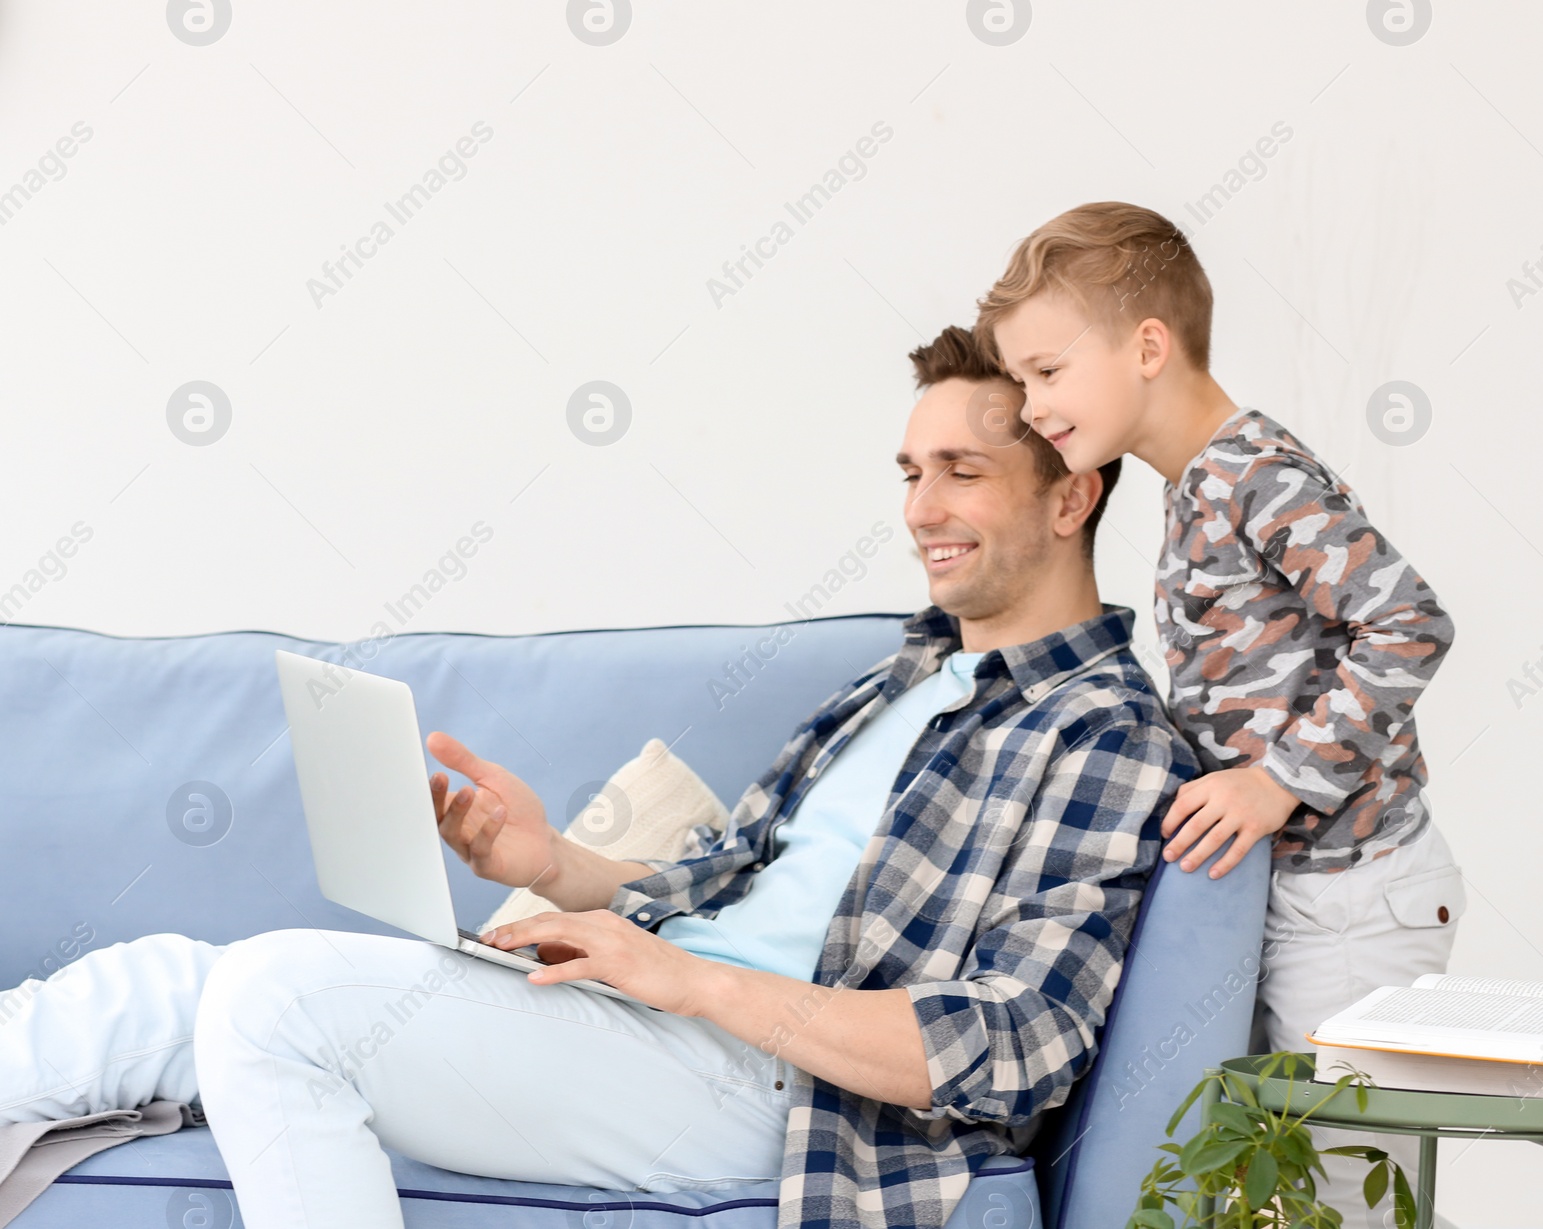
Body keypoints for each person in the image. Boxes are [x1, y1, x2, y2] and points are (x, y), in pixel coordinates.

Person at [0, 326, 1198, 1229]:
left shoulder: (1101, 731)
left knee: (277, 993)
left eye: (960, 472)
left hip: (780, 1087)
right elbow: (738, 884)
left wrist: (691, 983)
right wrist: (550, 865)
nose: (920, 509)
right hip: (663, 1021)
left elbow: (1018, 1043)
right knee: (166, 982)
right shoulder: (898, 682)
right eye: (906, 471)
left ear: (1070, 492)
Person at [977, 201, 1464, 1227]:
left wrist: (1278, 780)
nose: (1031, 405)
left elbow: (1409, 622)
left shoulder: (1254, 475)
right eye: (1019, 380)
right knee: (1274, 1181)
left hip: (1353, 895)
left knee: (1344, 1187)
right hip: (1299, 894)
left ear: (1147, 345)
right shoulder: (1195, 484)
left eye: (1048, 373)